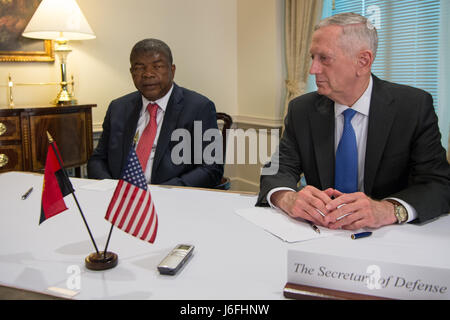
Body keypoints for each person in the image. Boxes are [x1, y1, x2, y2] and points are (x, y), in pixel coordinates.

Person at [256, 12, 450, 230]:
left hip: (388, 237)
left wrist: (388, 209)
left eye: (324, 58)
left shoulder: (413, 107)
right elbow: (278, 169)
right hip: (319, 234)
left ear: (363, 61)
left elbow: (438, 184)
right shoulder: (302, 109)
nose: (313, 70)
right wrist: (287, 197)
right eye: (312, 57)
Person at [88, 38, 223, 188]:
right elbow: (97, 160)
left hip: (173, 199)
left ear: (172, 70)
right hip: (121, 200)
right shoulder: (118, 108)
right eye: (139, 68)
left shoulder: (199, 108)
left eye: (157, 66)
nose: (148, 74)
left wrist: (164, 191)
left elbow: (211, 168)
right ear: (132, 72)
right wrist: (111, 188)